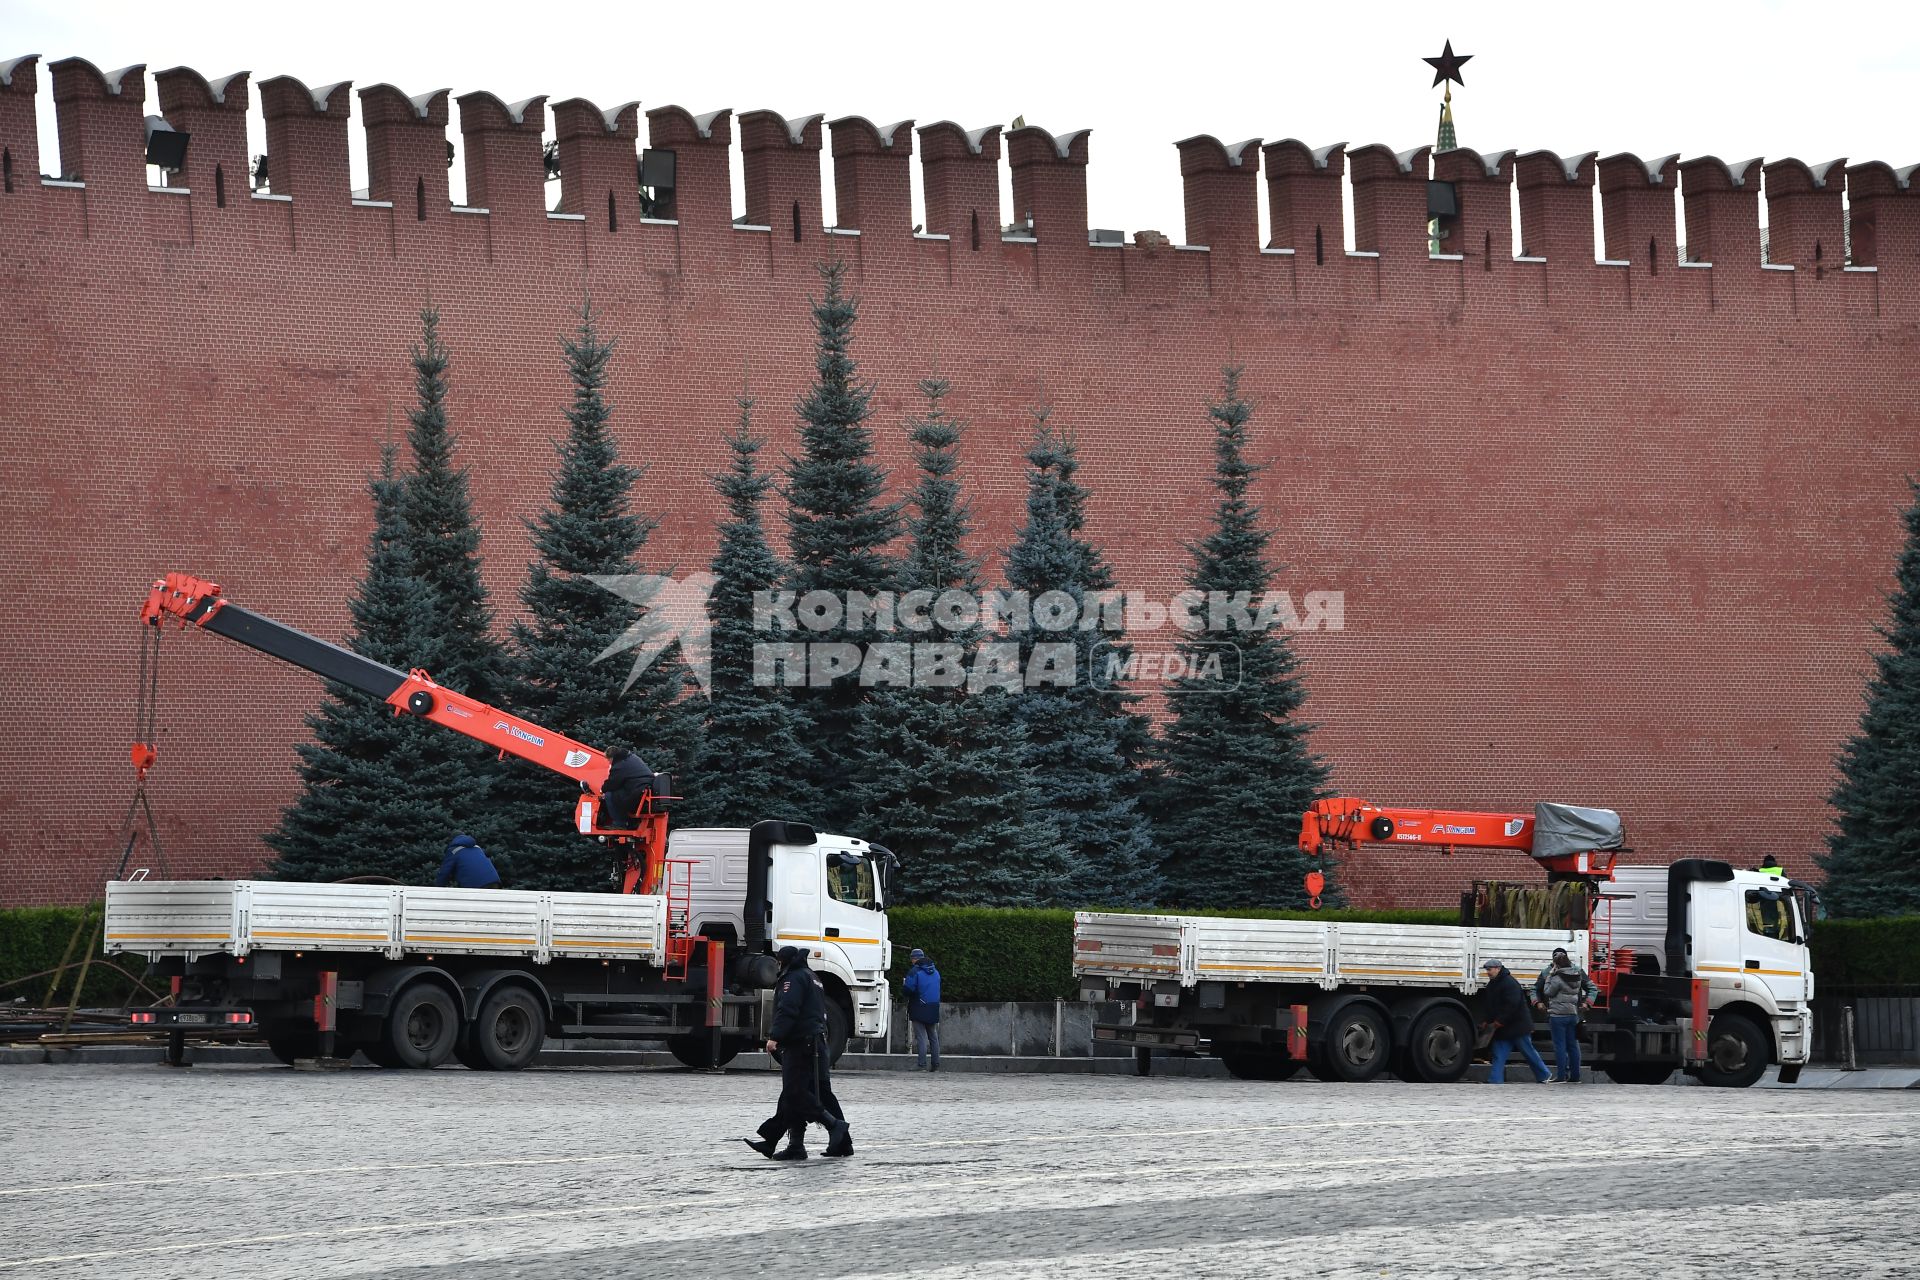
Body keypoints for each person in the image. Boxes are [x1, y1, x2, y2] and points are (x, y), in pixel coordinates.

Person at [744, 947, 851, 1161]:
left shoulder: (792, 979)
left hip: (801, 1044)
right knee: (810, 1094)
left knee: (795, 1093)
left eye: (778, 961)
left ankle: (832, 1127)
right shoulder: (813, 977)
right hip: (816, 1043)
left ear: (783, 961)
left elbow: (788, 1009)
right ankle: (795, 1143)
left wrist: (775, 1036)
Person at [1479, 959, 1550, 1084]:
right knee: (1509, 1054)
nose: (1488, 973)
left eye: (1489, 970)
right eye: (1487, 970)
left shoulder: (1507, 983)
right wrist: (1487, 1020)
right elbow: (1490, 1006)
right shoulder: (1500, 983)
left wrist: (1498, 1021)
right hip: (1509, 1027)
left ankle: (1544, 1075)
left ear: (1497, 968)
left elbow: (1511, 1006)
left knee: (1521, 1053)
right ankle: (1495, 1079)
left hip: (1516, 1027)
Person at [1540, 954, 1594, 1083]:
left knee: (1560, 1047)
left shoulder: (1557, 978)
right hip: (1572, 1014)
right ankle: (1575, 1077)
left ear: (1556, 965)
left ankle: (1561, 1076)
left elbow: (1548, 992)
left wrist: (1549, 976)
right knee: (1573, 1046)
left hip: (1557, 1016)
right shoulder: (1577, 976)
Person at [903, 947, 942, 1071]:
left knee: (921, 1038)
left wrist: (903, 987)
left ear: (914, 959)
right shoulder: (936, 971)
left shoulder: (915, 971)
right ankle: (935, 1065)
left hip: (919, 1007)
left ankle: (922, 1065)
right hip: (933, 1007)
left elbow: (908, 989)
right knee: (933, 1037)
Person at [601, 747, 655, 828]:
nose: (608, 762)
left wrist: (602, 790)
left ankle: (619, 824)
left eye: (608, 759)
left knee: (609, 795)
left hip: (636, 792)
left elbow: (612, 784)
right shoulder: (632, 757)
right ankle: (630, 823)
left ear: (612, 757)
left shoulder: (619, 765)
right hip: (644, 788)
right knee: (618, 794)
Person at [435, 833, 501, 889]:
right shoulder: (477, 848)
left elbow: (444, 873)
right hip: (494, 881)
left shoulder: (454, 851)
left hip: (476, 884)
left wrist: (438, 888)